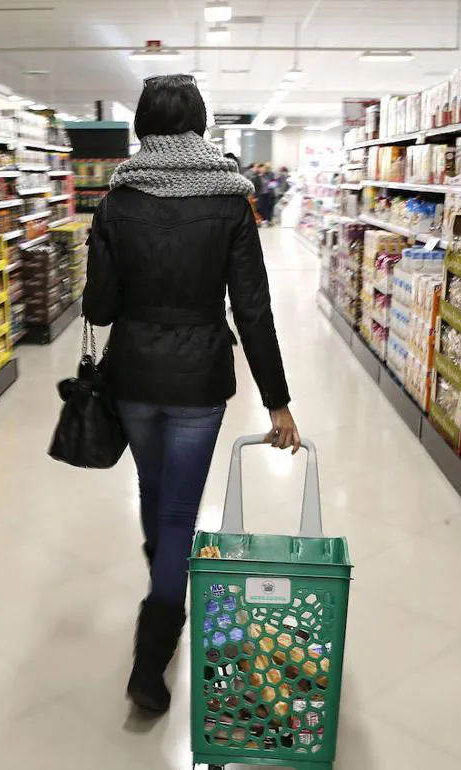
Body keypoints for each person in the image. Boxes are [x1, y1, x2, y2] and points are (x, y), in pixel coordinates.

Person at [83, 74, 300, 715]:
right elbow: (253, 310)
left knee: (157, 496)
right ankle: (153, 646)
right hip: (201, 377)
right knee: (178, 510)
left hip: (133, 374)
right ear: (201, 127)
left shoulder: (116, 200)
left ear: (141, 128)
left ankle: (161, 593)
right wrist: (277, 401)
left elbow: (98, 306)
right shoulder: (232, 198)